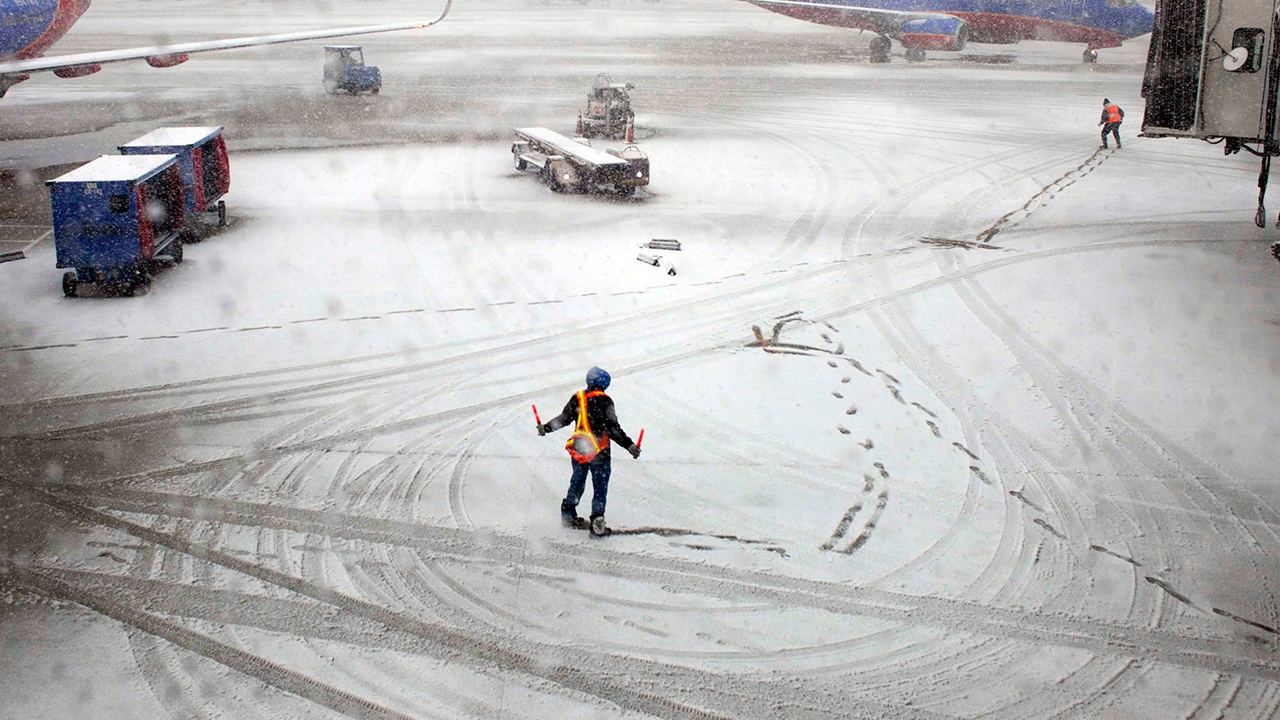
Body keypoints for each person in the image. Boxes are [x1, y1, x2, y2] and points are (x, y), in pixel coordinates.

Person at [537, 366, 640, 537]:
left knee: (578, 480)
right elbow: (613, 429)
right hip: (600, 452)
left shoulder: (578, 398)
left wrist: (546, 428)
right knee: (600, 486)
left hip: (580, 449)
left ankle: (568, 514)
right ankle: (597, 524)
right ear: (605, 384)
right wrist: (629, 445)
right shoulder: (606, 401)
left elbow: (563, 419)